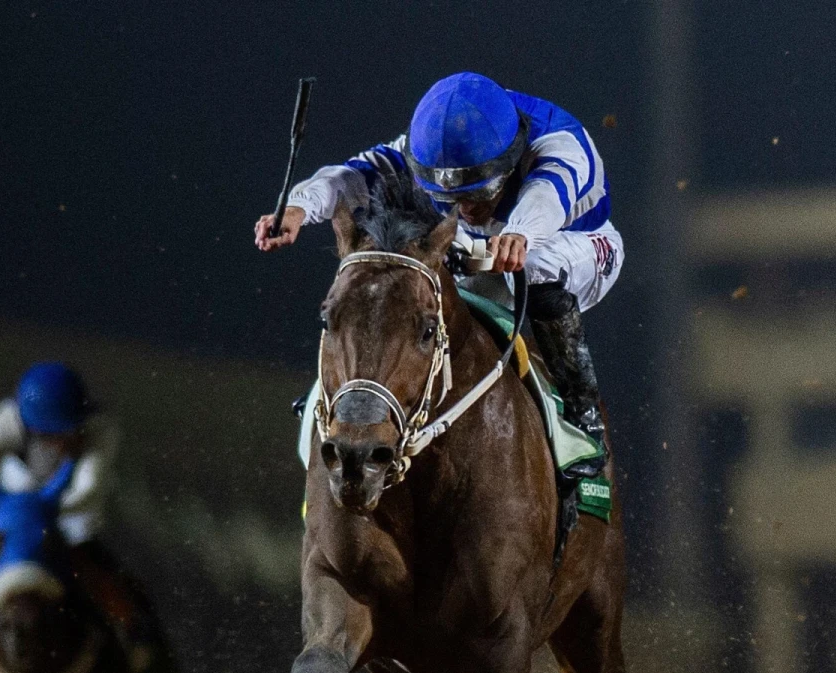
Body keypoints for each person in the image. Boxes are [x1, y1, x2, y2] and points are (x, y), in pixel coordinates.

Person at [255, 72, 623, 477]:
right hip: (482, 249)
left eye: (477, 194)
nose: (465, 209)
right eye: (448, 198)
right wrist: (298, 208)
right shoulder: (426, 151)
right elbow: (351, 176)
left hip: (575, 243)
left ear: (512, 158)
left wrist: (520, 233)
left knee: (533, 265)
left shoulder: (558, 146)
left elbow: (546, 197)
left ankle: (581, 406)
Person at [0, 362, 158, 669]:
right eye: (51, 435)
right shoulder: (9, 420)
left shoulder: (101, 431)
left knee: (120, 595)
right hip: (13, 530)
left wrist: (40, 513)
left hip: (69, 528)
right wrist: (20, 515)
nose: (63, 442)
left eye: (69, 432)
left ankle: (138, 644)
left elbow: (87, 487)